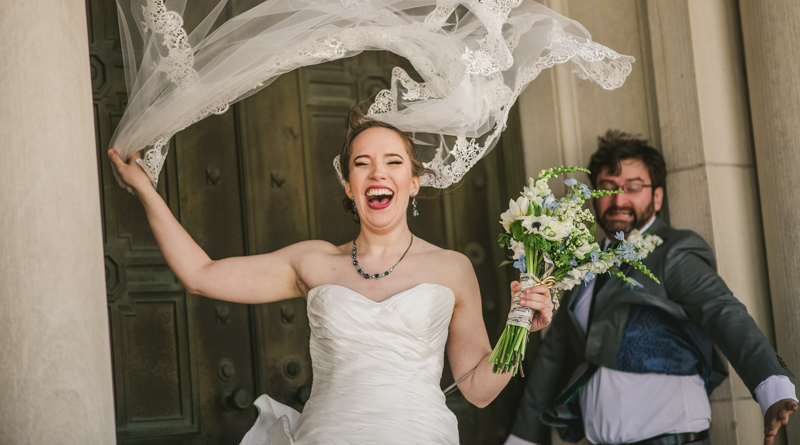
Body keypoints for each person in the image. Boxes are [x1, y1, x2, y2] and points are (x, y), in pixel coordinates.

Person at [108, 107, 554, 445]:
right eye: (363, 163)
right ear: (349, 185)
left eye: (394, 162)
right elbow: (200, 274)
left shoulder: (452, 267)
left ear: (415, 182)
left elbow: (477, 390)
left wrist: (520, 324)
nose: (378, 171)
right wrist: (145, 189)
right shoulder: (313, 262)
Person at [505, 131, 797, 445]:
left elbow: (723, 312)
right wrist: (523, 440)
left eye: (633, 187)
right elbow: (554, 356)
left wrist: (772, 386)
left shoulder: (674, 252)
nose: (619, 200)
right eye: (608, 188)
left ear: (657, 196)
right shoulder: (576, 263)